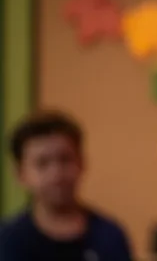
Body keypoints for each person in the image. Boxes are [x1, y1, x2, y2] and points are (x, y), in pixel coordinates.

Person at [0, 111, 132, 261]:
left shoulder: (110, 236)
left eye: (65, 159)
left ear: (82, 163)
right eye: (42, 163)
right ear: (20, 174)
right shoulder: (8, 241)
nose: (57, 174)